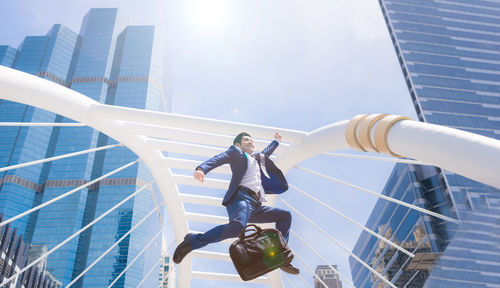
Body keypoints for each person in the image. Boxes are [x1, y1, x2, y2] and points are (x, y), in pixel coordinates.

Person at [173, 132, 300, 275]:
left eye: (252, 141)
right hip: (241, 199)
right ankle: (193, 241)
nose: (251, 142)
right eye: (247, 140)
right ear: (238, 145)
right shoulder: (236, 153)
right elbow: (219, 158)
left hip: (256, 206)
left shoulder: (257, 159)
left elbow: (266, 152)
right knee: (237, 227)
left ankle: (281, 255)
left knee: (285, 216)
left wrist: (276, 141)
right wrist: (201, 169)